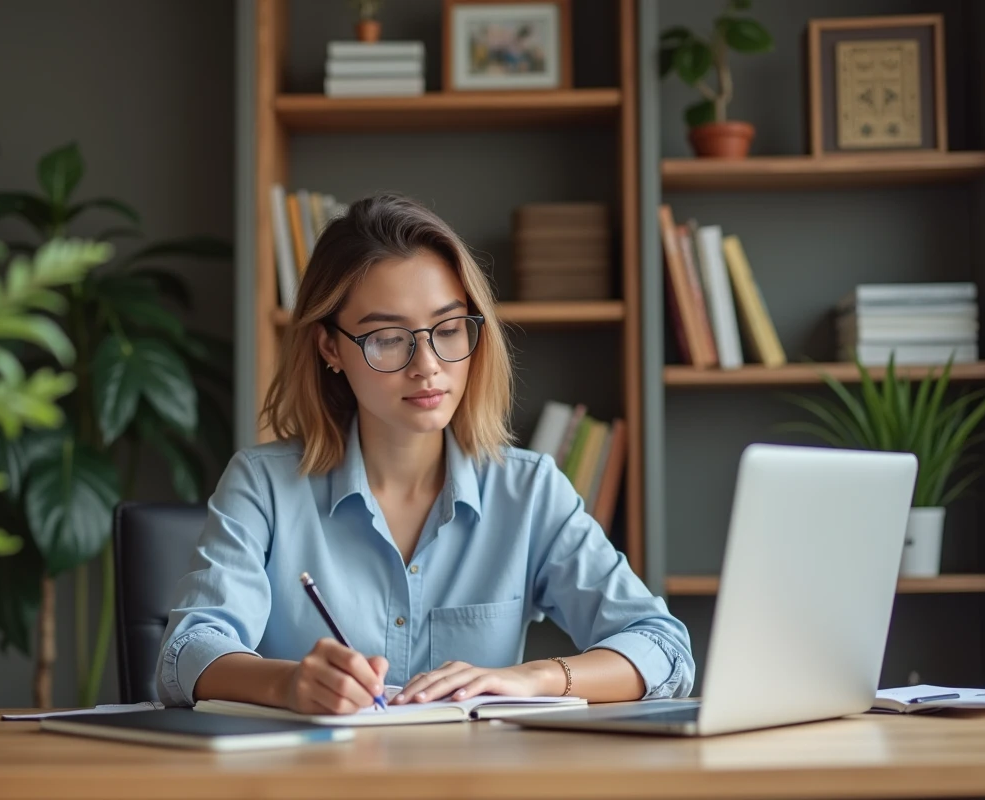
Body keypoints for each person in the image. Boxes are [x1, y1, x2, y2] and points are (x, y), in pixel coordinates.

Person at [155, 193, 694, 715]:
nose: (428, 365)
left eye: (449, 329)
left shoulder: (528, 491)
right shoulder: (264, 485)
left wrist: (534, 678)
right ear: (330, 347)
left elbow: (662, 646)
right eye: (388, 338)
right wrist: (290, 683)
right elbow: (186, 654)